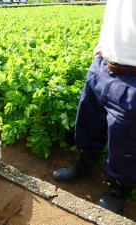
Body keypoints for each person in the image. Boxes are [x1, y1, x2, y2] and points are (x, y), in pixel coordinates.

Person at [53, 0, 136, 214]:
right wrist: (102, 46)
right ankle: (85, 164)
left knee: (124, 140)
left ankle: (119, 189)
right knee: (88, 119)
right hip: (103, 65)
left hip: (133, 77)